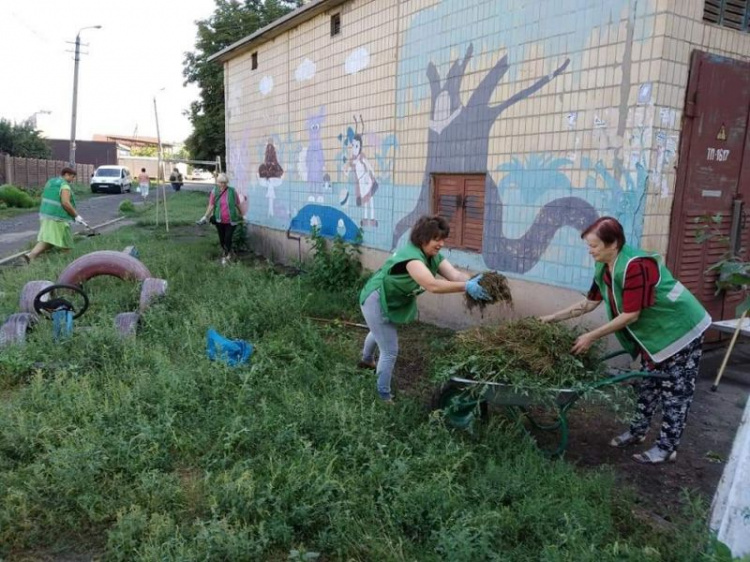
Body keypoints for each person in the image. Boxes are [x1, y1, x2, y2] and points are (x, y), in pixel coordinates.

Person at [539, 216, 711, 464]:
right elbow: (589, 302)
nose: (590, 251)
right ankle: (637, 432)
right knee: (646, 385)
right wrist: (552, 318)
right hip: (654, 336)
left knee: (675, 391)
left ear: (614, 243)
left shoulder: (636, 266)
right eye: (589, 246)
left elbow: (631, 314)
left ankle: (667, 447)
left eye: (594, 246)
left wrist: (591, 335)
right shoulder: (604, 266)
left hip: (680, 329)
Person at [359, 215, 492, 403]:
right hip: (376, 298)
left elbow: (453, 274)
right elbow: (432, 285)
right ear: (422, 238)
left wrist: (471, 280)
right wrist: (466, 287)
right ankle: (383, 396)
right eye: (436, 239)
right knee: (389, 350)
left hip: (391, 298)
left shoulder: (432, 256)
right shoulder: (412, 259)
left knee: (380, 328)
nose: (441, 244)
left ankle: (366, 360)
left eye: (443, 239)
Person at [25, 167, 88, 262]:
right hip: (58, 218)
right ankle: (65, 263)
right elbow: (65, 203)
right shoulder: (64, 186)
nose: (72, 179)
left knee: (49, 240)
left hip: (45, 214)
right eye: (72, 176)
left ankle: (30, 256)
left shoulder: (51, 182)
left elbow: (45, 196)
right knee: (66, 243)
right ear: (66, 174)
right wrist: (76, 216)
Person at [196, 173, 248, 265]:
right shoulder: (214, 192)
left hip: (231, 220)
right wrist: (205, 216)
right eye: (221, 182)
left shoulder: (232, 191)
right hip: (219, 220)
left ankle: (227, 256)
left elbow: (237, 204)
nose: (223, 184)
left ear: (227, 182)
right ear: (217, 182)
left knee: (228, 237)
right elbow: (211, 205)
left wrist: (242, 214)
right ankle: (227, 252)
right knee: (222, 239)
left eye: (224, 182)